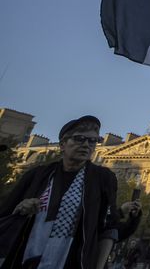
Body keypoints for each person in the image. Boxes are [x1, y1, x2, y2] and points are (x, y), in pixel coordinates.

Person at [0, 115, 119, 269]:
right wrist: (20, 210)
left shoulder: (103, 178)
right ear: (62, 144)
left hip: (72, 261)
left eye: (92, 141)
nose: (86, 145)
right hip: (26, 259)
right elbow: (5, 215)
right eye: (79, 139)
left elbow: (108, 227)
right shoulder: (38, 175)